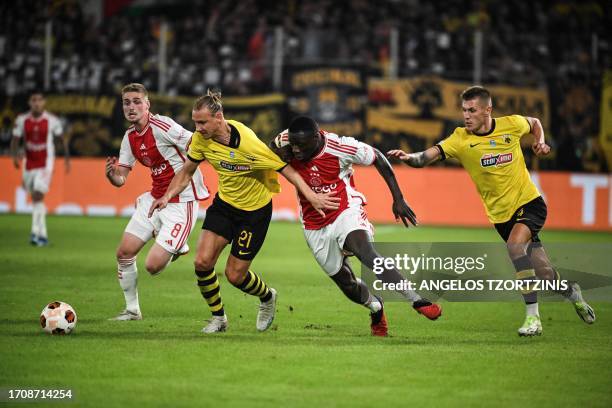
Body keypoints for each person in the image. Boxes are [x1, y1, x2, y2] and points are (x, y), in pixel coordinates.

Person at [388, 85, 596, 336]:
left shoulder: (511, 124)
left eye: (472, 110)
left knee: (514, 247)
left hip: (529, 202)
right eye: (464, 110)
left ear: (488, 110)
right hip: (501, 217)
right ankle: (572, 292)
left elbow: (535, 123)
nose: (466, 115)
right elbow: (426, 157)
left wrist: (540, 142)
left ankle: (533, 319)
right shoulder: (460, 139)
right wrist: (410, 158)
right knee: (545, 274)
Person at [148, 90, 339, 333]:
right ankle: (219, 318)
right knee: (202, 262)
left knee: (235, 275)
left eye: (203, 122)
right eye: (195, 122)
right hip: (225, 206)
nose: (198, 128)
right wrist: (166, 195)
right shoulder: (201, 140)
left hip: (254, 212)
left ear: (219, 117)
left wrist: (312, 196)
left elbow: (285, 169)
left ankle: (267, 297)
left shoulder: (248, 144)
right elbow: (186, 172)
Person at [271, 116, 442, 337]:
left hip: (345, 211)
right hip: (314, 224)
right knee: (348, 285)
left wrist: (398, 198)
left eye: (301, 145)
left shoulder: (341, 147)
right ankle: (376, 308)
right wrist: (277, 151)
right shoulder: (286, 139)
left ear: (316, 137)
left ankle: (416, 299)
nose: (295, 150)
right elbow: (272, 149)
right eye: (292, 145)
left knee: (366, 252)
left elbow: (378, 157)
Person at [105, 83, 209, 321]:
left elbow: (197, 145)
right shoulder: (130, 137)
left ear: (147, 104)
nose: (131, 107)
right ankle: (132, 310)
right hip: (154, 199)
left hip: (182, 201)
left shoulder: (163, 126)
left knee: (153, 267)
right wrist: (112, 175)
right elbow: (121, 177)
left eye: (136, 101)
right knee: (124, 253)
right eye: (126, 102)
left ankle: (178, 244)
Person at [10, 91, 70, 246]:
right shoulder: (22, 120)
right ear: (30, 103)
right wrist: (14, 156)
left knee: (37, 195)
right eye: (33, 100)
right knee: (36, 199)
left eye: (39, 100)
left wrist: (66, 158)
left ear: (44, 103)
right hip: (28, 163)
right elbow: (15, 139)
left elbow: (61, 139)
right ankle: (42, 235)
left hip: (45, 163)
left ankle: (34, 233)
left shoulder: (52, 120)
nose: (36, 103)